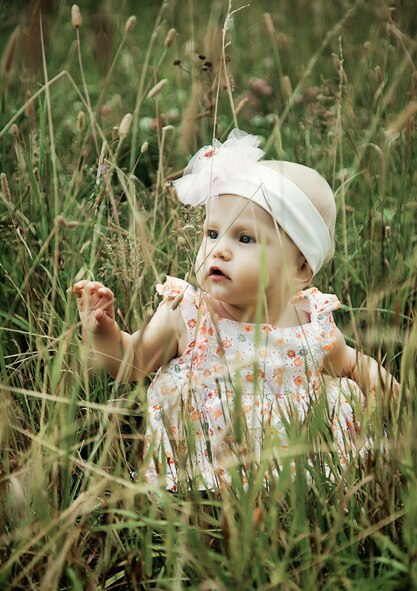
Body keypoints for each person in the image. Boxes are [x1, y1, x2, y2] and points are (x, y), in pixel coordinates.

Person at [70, 130, 399, 492]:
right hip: (208, 469)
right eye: (212, 234)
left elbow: (354, 365)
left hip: (300, 462)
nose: (219, 251)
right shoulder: (188, 314)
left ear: (301, 269)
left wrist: (398, 401)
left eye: (244, 238)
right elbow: (130, 363)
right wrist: (103, 332)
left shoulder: (309, 326)